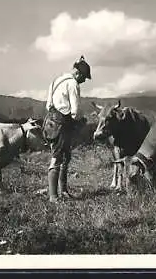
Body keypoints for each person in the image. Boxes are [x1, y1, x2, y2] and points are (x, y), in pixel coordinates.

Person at [37, 55, 91, 202]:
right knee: (57, 158)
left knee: (65, 157)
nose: (84, 81)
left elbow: (48, 105)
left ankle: (63, 191)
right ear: (78, 73)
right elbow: (75, 111)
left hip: (50, 122)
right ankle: (54, 196)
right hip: (62, 125)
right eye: (84, 77)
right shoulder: (73, 84)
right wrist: (81, 120)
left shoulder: (56, 80)